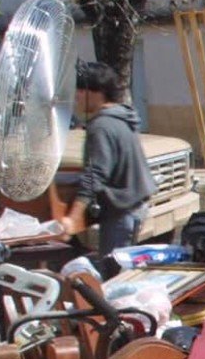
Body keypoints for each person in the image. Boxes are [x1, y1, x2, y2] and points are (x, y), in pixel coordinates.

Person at [64, 61, 156, 254]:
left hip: (122, 213)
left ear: (97, 92)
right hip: (134, 206)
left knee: (114, 273)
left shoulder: (102, 126)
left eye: (81, 90)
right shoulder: (121, 117)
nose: (77, 96)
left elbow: (95, 173)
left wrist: (74, 216)